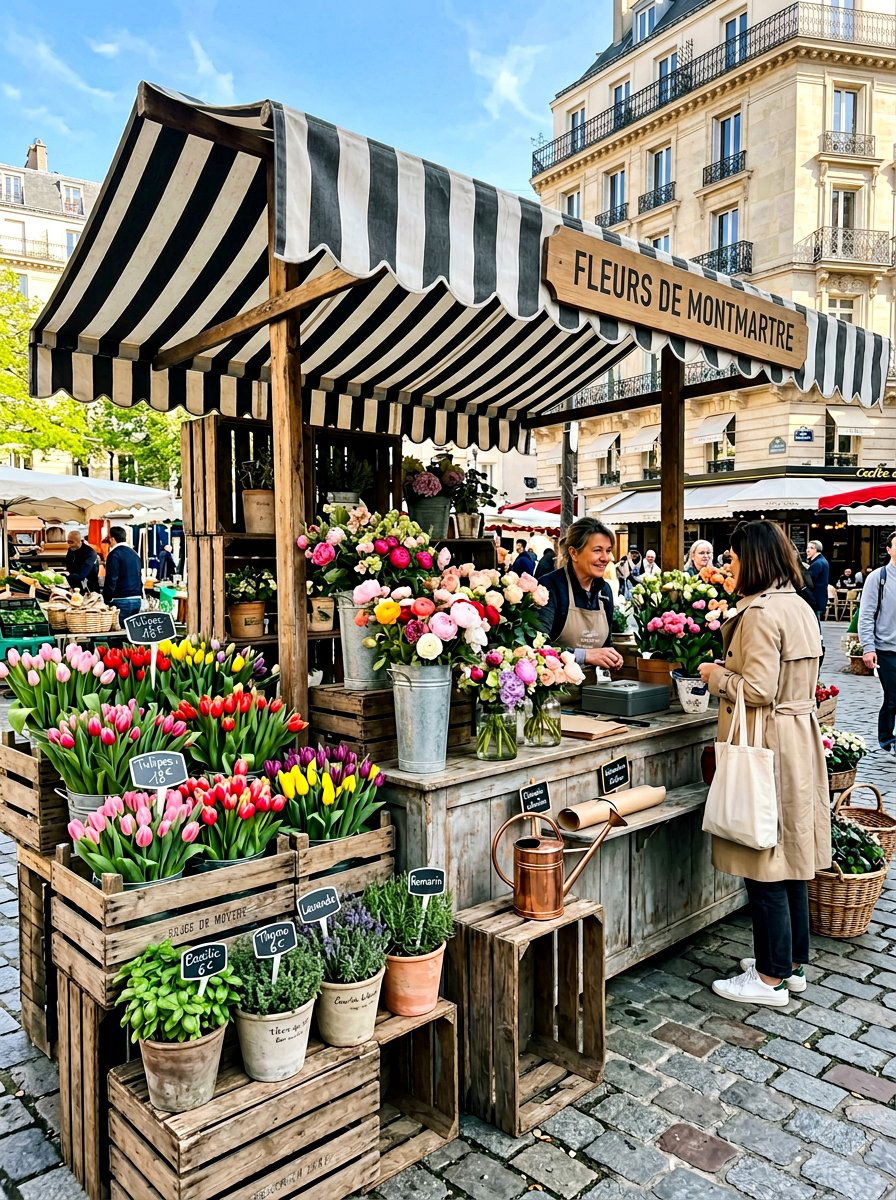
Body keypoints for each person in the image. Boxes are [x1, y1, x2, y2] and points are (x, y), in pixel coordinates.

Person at [698, 520, 828, 1007]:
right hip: (796, 738)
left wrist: (715, 675)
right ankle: (791, 964)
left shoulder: (759, 613)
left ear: (751, 560)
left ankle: (770, 978)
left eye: (732, 559)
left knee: (764, 859)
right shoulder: (798, 605)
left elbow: (756, 689)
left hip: (767, 740)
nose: (729, 567)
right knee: (790, 857)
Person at [538, 518, 623, 677]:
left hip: (591, 690)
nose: (606, 558)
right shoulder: (550, 587)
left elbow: (605, 645)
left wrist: (612, 658)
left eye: (608, 550)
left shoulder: (604, 591)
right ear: (574, 553)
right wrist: (585, 655)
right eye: (597, 550)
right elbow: (537, 648)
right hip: (553, 694)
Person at [858, 531, 896, 754]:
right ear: (889, 550)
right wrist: (868, 648)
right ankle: (886, 738)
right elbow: (866, 615)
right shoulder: (878, 578)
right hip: (887, 648)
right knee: (893, 696)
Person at [102, 527, 143, 619]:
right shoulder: (135, 554)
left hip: (121, 599)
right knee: (131, 632)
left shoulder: (114, 554)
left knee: (118, 631)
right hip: (137, 599)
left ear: (112, 539)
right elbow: (139, 576)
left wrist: (106, 599)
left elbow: (111, 578)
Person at [805, 540, 829, 615]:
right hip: (819, 599)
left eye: (811, 548)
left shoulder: (817, 563)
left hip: (815, 599)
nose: (807, 550)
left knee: (814, 624)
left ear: (816, 550)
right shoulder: (822, 561)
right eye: (807, 547)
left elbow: (808, 581)